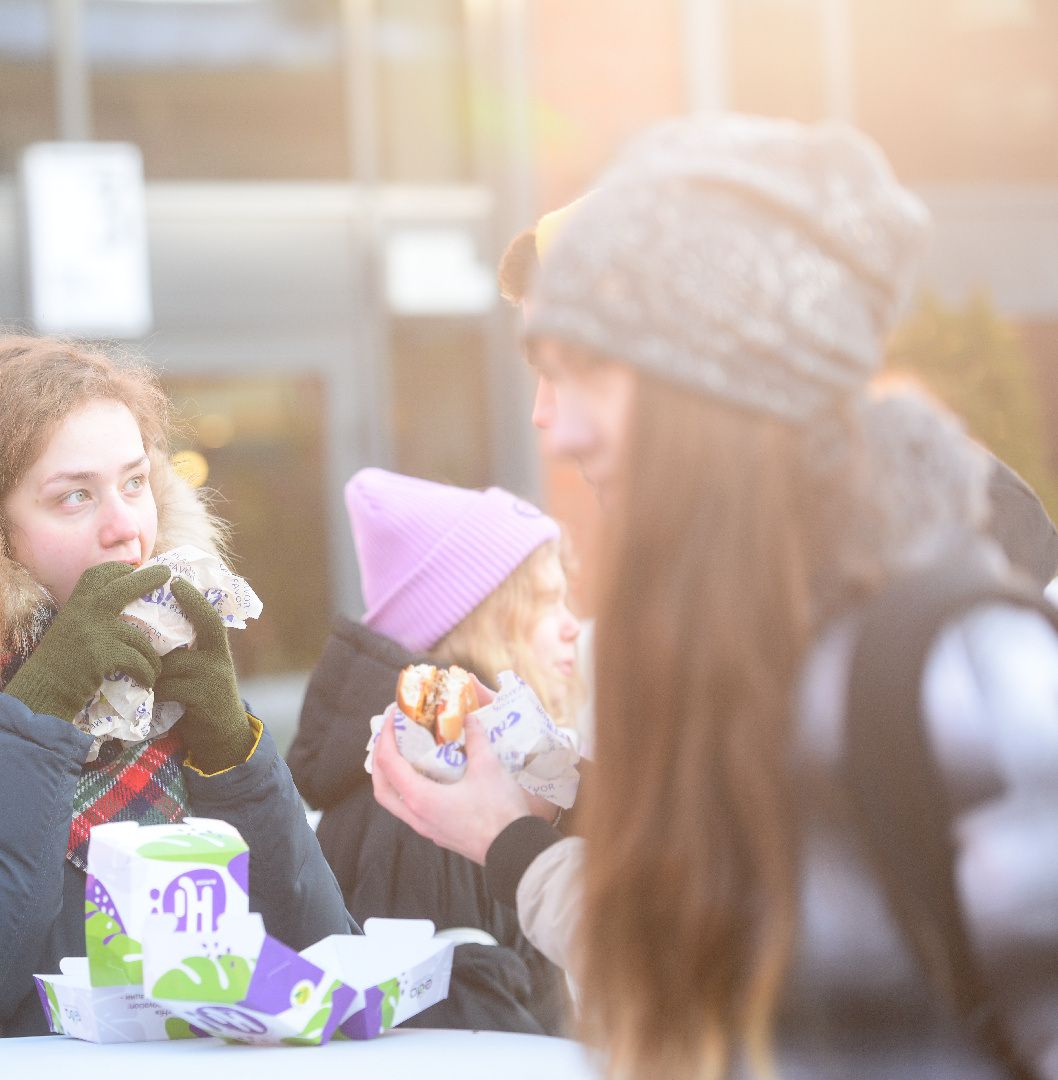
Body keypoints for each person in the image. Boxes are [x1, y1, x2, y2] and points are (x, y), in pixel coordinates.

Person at [370, 115, 1058, 1079]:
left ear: (722, 386)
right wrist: (540, 812)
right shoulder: (703, 637)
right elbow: (715, 986)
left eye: (588, 373)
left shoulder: (959, 667)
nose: (552, 424)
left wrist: (513, 843)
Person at [0, 335, 352, 1047]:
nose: (125, 528)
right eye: (74, 497)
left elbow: (319, 958)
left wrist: (231, 756)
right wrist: (42, 706)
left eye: (135, 482)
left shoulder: (171, 699)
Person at [286, 467, 581, 1033]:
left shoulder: (458, 779)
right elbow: (463, 1037)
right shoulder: (431, 801)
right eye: (546, 601)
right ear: (477, 620)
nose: (572, 626)